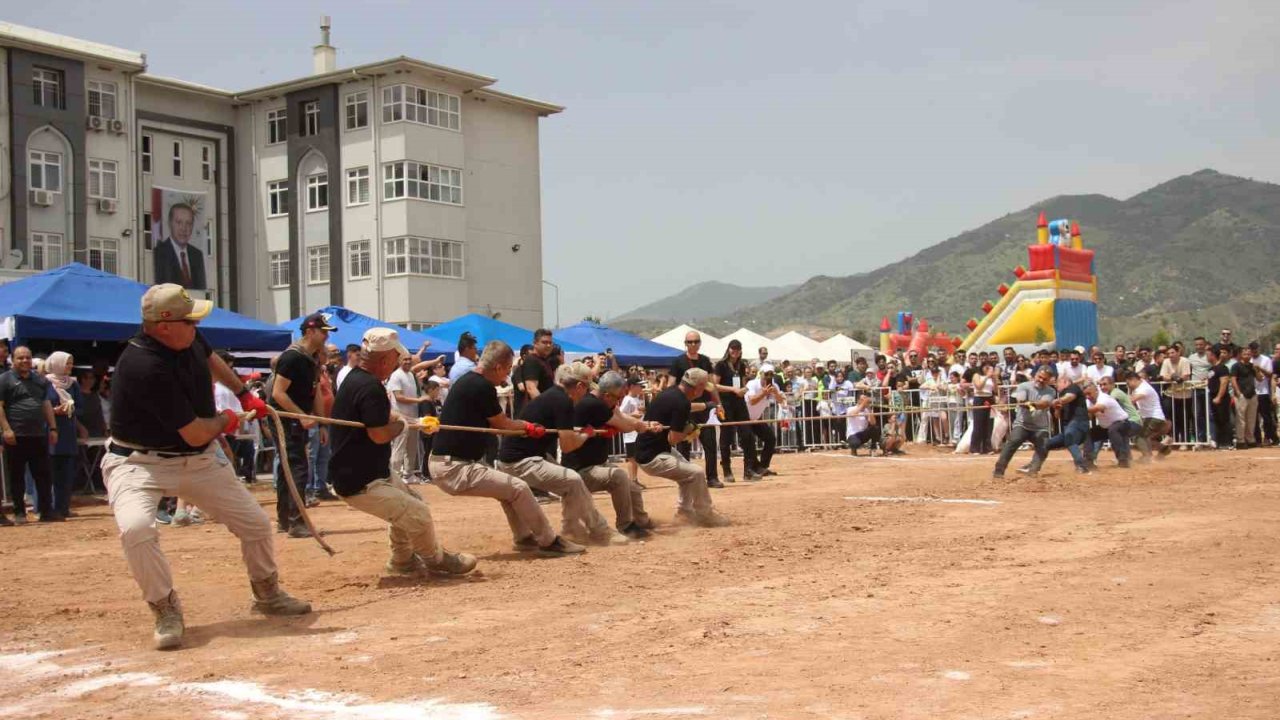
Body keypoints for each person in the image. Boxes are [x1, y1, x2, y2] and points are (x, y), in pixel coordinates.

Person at [101, 284, 309, 650]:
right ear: (163, 325)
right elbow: (197, 432)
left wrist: (244, 392)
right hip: (139, 463)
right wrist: (229, 418)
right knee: (136, 529)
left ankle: (267, 593)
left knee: (256, 524)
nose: (197, 326)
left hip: (196, 460)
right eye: (190, 320)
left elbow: (210, 357)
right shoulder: (143, 367)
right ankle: (164, 608)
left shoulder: (187, 336)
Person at [329, 328, 477, 578]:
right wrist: (401, 426)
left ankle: (402, 560)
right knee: (418, 514)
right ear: (386, 358)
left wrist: (404, 419)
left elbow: (373, 417)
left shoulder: (354, 379)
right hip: (360, 481)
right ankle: (436, 559)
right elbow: (378, 434)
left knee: (412, 504)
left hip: (370, 471)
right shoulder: (370, 387)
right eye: (396, 358)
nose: (397, 362)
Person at [428, 340, 584, 557]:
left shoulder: (469, 381)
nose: (508, 375)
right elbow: (502, 425)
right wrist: (528, 427)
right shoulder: (482, 386)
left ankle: (524, 538)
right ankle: (549, 541)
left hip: (450, 464)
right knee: (519, 488)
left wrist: (524, 427)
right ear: (498, 366)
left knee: (509, 492)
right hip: (455, 468)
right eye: (508, 369)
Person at [496, 362, 629, 546]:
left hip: (511, 457)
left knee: (566, 482)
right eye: (587, 388)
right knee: (572, 481)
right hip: (521, 460)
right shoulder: (563, 401)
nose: (587, 394)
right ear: (580, 386)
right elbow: (568, 446)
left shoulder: (552, 395)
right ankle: (599, 531)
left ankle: (560, 531)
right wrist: (585, 434)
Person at [561, 370, 658, 539]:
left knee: (632, 487)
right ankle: (626, 526)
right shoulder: (594, 405)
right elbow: (624, 425)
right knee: (618, 476)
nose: (619, 401)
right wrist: (641, 426)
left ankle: (641, 521)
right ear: (606, 395)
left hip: (595, 465)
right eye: (617, 398)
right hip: (580, 470)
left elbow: (622, 416)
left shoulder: (603, 401)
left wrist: (646, 424)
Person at [635, 368, 730, 527]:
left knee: (687, 475)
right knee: (696, 473)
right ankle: (705, 514)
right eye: (703, 387)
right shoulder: (681, 402)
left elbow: (687, 407)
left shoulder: (672, 393)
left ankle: (684, 513)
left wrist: (707, 406)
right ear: (697, 387)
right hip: (653, 457)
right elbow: (673, 438)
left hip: (649, 450)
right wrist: (689, 428)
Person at [268, 312, 335, 538]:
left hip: (297, 418)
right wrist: (301, 416)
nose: (326, 336)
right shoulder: (292, 357)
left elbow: (315, 391)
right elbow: (278, 393)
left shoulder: (312, 358)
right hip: (284, 419)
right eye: (323, 331)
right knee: (296, 467)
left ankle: (287, 520)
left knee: (292, 467)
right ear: (310, 331)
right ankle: (295, 522)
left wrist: (322, 423)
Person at [0, 346, 58, 524]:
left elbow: (46, 403)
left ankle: (47, 512)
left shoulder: (39, 380)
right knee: (17, 476)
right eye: (20, 358)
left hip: (38, 434)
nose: (25, 361)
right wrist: (6, 429)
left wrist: (53, 428)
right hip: (16, 436)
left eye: (28, 357)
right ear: (13, 360)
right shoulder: (4, 380)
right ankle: (19, 513)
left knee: (43, 475)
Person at [665, 331, 722, 487]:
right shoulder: (678, 361)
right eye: (689, 342)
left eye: (696, 341)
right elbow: (671, 385)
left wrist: (719, 404)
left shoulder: (705, 361)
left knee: (710, 444)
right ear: (685, 343)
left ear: (700, 343)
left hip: (704, 409)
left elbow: (712, 385)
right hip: (685, 409)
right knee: (684, 446)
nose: (693, 344)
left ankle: (712, 477)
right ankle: (686, 478)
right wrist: (671, 404)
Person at [991, 366, 1056, 479]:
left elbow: (1045, 403)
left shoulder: (1051, 391)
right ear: (1035, 375)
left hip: (1040, 427)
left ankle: (1033, 471)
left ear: (1049, 380)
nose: (1041, 380)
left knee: (1044, 446)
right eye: (1039, 377)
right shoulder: (1023, 386)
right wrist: (1024, 403)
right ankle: (998, 471)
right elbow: (1020, 400)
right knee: (1012, 442)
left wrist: (1032, 404)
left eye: (1044, 379)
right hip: (1022, 424)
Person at [45, 351, 84, 518]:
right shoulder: (45, 383)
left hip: (68, 432)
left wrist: (70, 408)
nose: (69, 366)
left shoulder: (72, 384)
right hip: (51, 431)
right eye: (67, 363)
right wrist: (54, 411)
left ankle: (63, 507)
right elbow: (41, 406)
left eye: (71, 363)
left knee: (67, 473)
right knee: (50, 472)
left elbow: (81, 407)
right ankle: (49, 507)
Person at [713, 340, 755, 482]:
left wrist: (745, 389)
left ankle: (748, 470)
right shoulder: (721, 365)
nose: (735, 351)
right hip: (725, 403)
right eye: (733, 348)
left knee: (747, 434)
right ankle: (726, 470)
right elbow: (714, 385)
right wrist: (732, 389)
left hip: (739, 403)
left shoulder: (741, 365)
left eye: (738, 349)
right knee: (727, 436)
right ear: (728, 349)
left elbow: (742, 384)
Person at [387, 353, 430, 484]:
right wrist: (419, 400)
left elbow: (422, 366)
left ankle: (408, 474)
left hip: (413, 417)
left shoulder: (411, 375)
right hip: (400, 418)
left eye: (409, 360)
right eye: (404, 359)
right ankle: (393, 475)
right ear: (399, 361)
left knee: (411, 448)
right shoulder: (395, 376)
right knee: (399, 447)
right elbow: (398, 397)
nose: (407, 362)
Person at [152, 203, 207, 290]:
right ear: (170, 223)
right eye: (179, 222)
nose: (184, 228)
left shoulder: (197, 255)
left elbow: (201, 288)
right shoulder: (158, 254)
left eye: (188, 223)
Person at [1083, 382, 1135, 468]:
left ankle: (1123, 461)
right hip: (1106, 427)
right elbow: (1089, 416)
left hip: (1123, 423)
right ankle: (1088, 462)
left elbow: (1098, 408)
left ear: (1096, 391)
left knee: (1113, 430)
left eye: (1089, 393)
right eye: (1085, 394)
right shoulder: (1088, 401)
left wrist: (1081, 409)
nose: (1088, 396)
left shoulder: (1103, 397)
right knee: (1088, 434)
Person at [743, 364, 782, 476]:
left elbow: (780, 401)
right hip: (745, 418)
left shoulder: (773, 385)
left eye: (771, 374)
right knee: (750, 443)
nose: (769, 376)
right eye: (766, 374)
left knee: (770, 438)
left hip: (756, 418)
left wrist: (775, 393)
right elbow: (752, 401)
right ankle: (751, 469)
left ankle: (763, 466)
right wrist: (764, 393)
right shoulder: (752, 384)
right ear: (761, 374)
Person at [1127, 371, 1172, 461]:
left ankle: (1147, 457)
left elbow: (1132, 400)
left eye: (1128, 383)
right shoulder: (1140, 386)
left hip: (1154, 418)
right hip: (1151, 417)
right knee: (1146, 439)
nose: (1128, 385)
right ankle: (1163, 449)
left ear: (1134, 380)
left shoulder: (1144, 388)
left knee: (1139, 437)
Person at [1232, 345, 1260, 449]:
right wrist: (1238, 392)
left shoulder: (1252, 366)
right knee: (1241, 419)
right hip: (1242, 395)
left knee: (1251, 419)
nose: (1247, 355)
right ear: (1240, 355)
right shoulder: (1236, 366)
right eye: (1245, 353)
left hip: (1252, 394)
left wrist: (1256, 370)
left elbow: (1260, 379)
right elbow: (1233, 379)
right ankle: (1240, 440)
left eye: (1249, 353)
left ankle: (1250, 439)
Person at [969, 362, 996, 454]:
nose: (988, 369)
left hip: (989, 398)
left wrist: (994, 379)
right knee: (978, 424)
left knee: (989, 425)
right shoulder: (977, 375)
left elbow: (995, 390)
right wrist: (987, 377)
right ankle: (975, 448)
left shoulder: (991, 378)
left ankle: (987, 447)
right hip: (979, 398)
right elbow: (979, 386)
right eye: (986, 367)